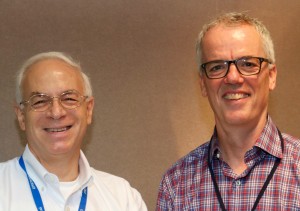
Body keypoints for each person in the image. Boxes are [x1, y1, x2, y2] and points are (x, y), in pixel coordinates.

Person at [156, 12, 300, 210]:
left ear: (272, 76)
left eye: (248, 64)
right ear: (203, 84)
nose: (233, 78)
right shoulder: (175, 184)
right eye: (217, 67)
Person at [0, 52, 147, 211]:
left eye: (69, 98)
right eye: (40, 101)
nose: (56, 112)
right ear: (21, 116)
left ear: (88, 109)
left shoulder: (123, 198)